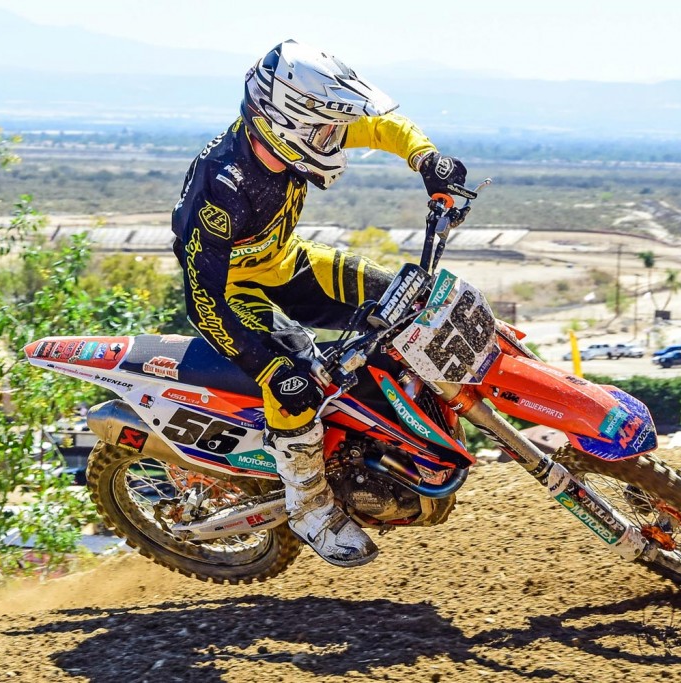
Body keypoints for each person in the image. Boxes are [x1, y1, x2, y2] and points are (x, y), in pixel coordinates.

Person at [171, 40, 469, 568]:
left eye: (333, 129)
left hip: (285, 261)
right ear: (287, 123)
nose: (336, 139)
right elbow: (203, 295)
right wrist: (268, 366)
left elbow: (378, 126)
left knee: (410, 303)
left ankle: (400, 436)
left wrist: (426, 157)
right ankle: (311, 509)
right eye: (326, 131)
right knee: (295, 384)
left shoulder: (297, 130)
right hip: (233, 291)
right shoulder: (223, 187)